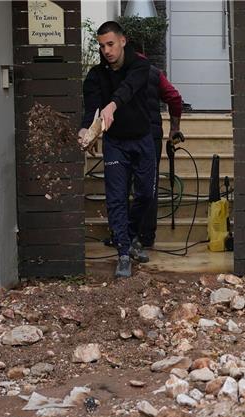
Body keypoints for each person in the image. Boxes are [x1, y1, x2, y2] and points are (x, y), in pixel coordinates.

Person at [78, 21, 154, 278]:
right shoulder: (96, 76)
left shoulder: (141, 66)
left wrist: (112, 106)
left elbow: (128, 88)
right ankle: (123, 252)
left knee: (145, 194)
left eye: (110, 44)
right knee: (116, 197)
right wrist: (86, 132)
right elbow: (90, 110)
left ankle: (130, 236)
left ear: (123, 41)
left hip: (143, 139)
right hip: (115, 144)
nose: (106, 50)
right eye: (101, 46)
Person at [134, 49, 184, 249]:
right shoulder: (154, 72)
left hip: (127, 136)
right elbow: (174, 97)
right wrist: (174, 129)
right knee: (149, 184)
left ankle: (124, 234)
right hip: (151, 135)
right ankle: (146, 236)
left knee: (124, 185)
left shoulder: (121, 70)